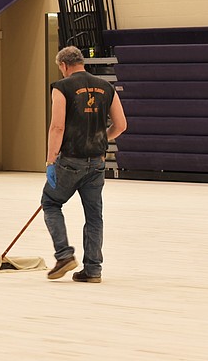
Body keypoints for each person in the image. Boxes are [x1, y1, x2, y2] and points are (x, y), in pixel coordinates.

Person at [42, 46, 126, 284]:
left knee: (50, 202)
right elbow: (120, 125)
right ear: (81, 62)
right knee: (94, 215)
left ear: (63, 65)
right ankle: (93, 269)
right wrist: (98, 139)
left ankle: (64, 255)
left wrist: (50, 160)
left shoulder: (62, 87)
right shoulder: (107, 87)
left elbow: (57, 126)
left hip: (70, 161)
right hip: (97, 163)